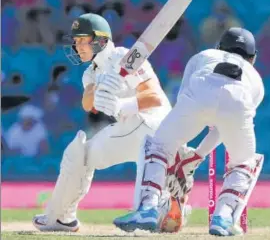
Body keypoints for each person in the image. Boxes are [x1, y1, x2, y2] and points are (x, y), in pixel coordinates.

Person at [32, 13, 193, 233]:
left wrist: (120, 105)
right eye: (76, 41)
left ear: (99, 40)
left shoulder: (124, 57)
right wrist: (100, 90)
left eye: (82, 40)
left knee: (89, 153)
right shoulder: (90, 73)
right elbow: (88, 104)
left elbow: (154, 97)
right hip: (132, 130)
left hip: (154, 126)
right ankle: (62, 218)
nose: (77, 46)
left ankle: (149, 208)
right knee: (79, 153)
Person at [114, 27, 265, 236]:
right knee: (243, 163)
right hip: (239, 101)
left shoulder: (204, 55)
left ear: (219, 47)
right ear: (252, 58)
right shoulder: (256, 79)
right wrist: (199, 155)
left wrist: (185, 152)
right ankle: (223, 217)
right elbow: (227, 125)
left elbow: (185, 104)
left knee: (158, 146)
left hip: (200, 90)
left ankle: (148, 208)